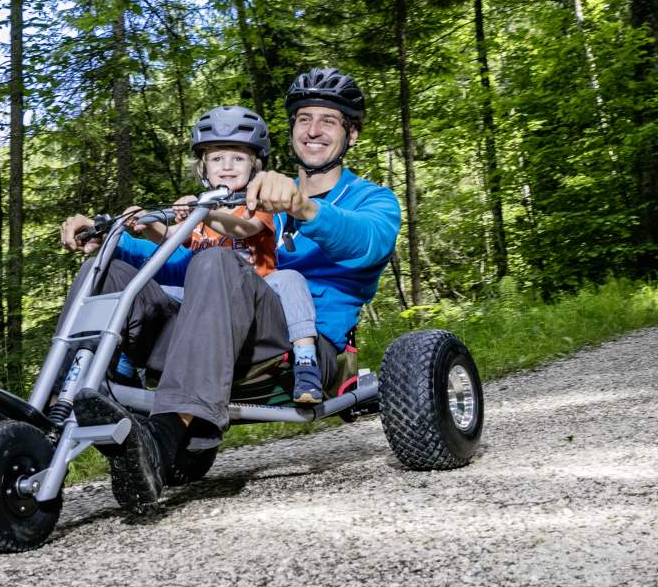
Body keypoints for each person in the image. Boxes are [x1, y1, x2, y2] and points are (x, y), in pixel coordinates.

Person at [57, 66, 401, 501]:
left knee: (218, 262)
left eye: (328, 121)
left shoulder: (372, 201)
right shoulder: (242, 196)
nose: (313, 131)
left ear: (350, 135)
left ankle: (164, 438)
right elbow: (180, 262)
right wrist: (109, 240)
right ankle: (64, 406)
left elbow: (367, 245)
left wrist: (305, 208)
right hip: (210, 333)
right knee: (107, 270)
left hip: (296, 347)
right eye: (303, 119)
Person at [124, 106, 329, 403]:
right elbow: (169, 238)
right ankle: (127, 369)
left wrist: (204, 214)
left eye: (238, 158)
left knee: (291, 279)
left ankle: (306, 361)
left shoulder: (257, 203)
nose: (228, 165)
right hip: (207, 298)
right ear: (204, 168)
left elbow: (243, 229)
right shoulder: (200, 210)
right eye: (218, 159)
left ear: (254, 166)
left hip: (258, 293)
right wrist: (144, 223)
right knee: (148, 293)